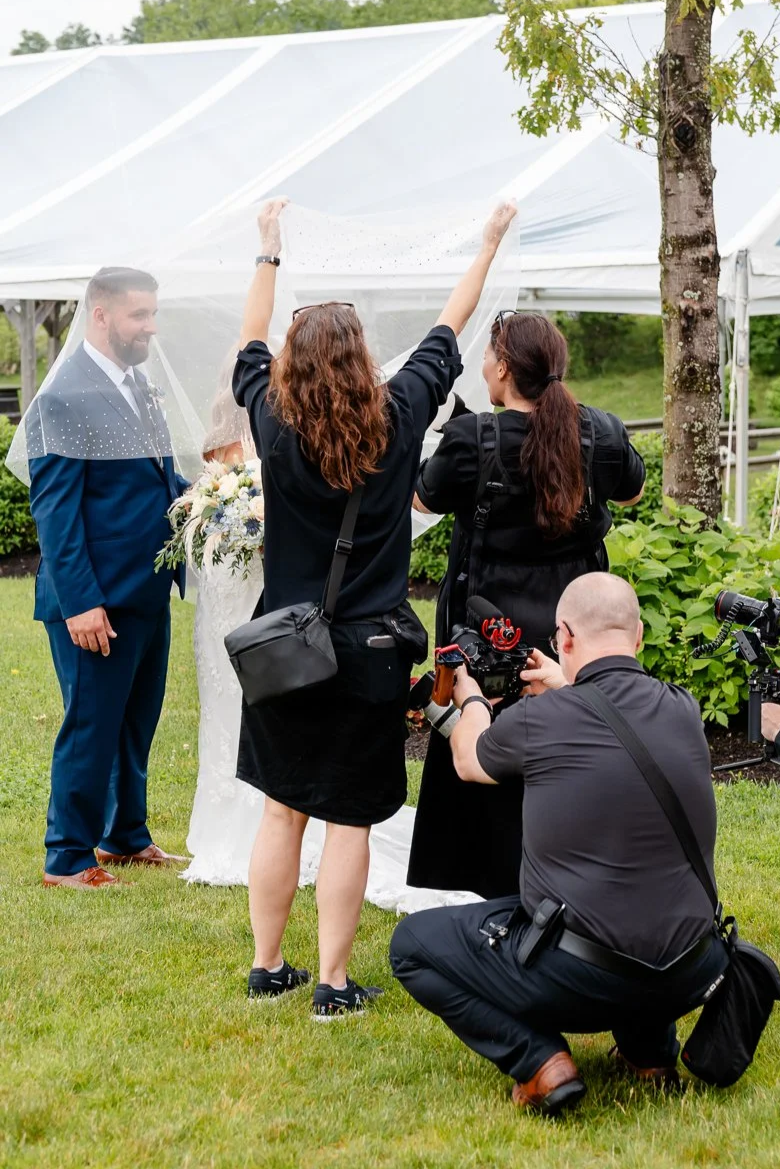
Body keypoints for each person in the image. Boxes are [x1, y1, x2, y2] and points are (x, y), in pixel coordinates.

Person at [232, 197, 516, 1017]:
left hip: (285, 650)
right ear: (362, 361)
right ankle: (331, 984)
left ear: (294, 361)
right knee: (349, 819)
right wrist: (488, 240)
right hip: (371, 654)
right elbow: (450, 327)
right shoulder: (399, 416)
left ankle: (265, 967)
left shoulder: (273, 423)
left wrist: (270, 250)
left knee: (281, 808)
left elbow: (248, 338)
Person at [391, 573, 729, 1115]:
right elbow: (614, 720)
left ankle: (541, 1062)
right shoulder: (682, 708)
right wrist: (567, 684)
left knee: (411, 945)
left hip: (584, 978)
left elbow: (470, 757)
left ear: (564, 637)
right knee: (637, 899)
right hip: (692, 970)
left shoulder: (540, 718)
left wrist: (471, 695)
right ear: (638, 637)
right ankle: (648, 1052)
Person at [407, 312, 646, 899]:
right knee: (567, 754)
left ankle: (493, 892)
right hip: (572, 633)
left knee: (485, 749)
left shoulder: (473, 439)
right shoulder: (603, 431)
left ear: (505, 367)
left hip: (490, 630)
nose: (483, 366)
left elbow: (423, 500)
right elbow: (633, 487)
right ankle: (567, 879)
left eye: (488, 355)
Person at [28, 267, 189, 888]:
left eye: (152, 313)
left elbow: (151, 478)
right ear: (100, 315)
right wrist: (81, 604)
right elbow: (56, 513)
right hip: (96, 601)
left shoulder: (137, 383)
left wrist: (200, 499)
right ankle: (67, 856)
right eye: (138, 316)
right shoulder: (63, 396)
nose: (150, 326)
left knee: (136, 720)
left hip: (145, 591)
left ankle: (125, 836)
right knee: (92, 724)